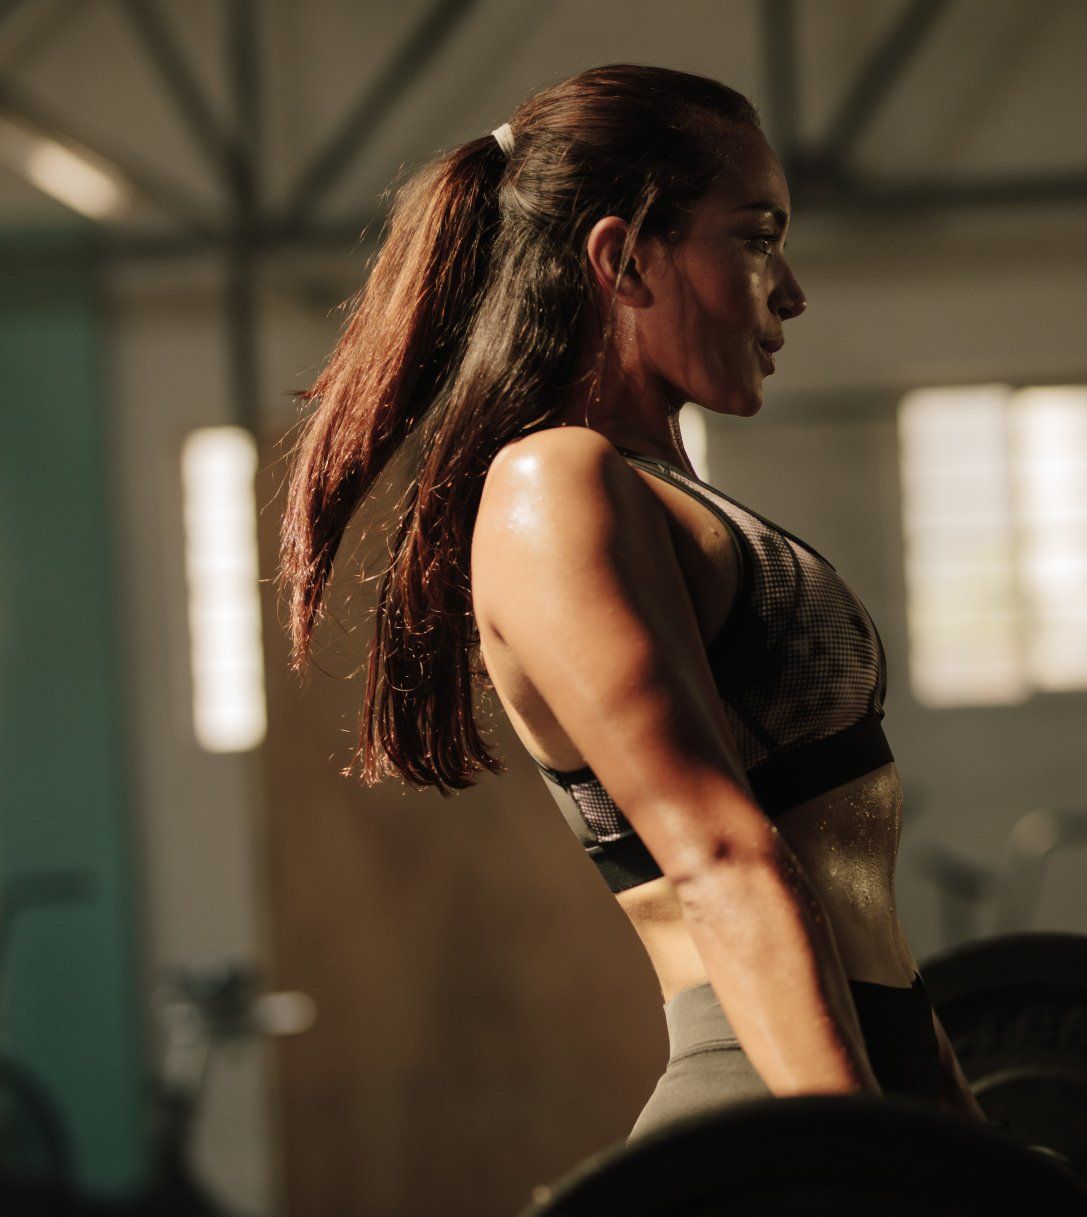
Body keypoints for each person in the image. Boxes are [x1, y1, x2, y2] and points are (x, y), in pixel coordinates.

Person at [276, 63, 988, 1142]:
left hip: (859, 1080)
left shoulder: (666, 496)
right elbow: (720, 855)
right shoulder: (556, 484)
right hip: (780, 1104)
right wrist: (861, 1174)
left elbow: (865, 933)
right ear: (623, 258)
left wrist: (970, 1145)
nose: (791, 291)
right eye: (756, 238)